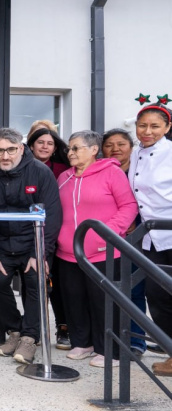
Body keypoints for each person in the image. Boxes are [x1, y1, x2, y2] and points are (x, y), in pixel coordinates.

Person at [0, 127, 62, 365]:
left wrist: (40, 253)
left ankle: (30, 338)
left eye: (11, 150)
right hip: (1, 246)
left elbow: (52, 216)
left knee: (36, 286)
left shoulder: (40, 172)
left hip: (33, 245)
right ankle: (15, 332)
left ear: (21, 149)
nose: (5, 156)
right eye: (0, 150)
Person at [56, 130, 137, 368]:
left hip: (103, 251)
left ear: (93, 150)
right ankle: (83, 343)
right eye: (69, 149)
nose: (70, 153)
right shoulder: (65, 177)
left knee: (103, 302)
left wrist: (107, 233)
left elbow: (129, 206)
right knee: (74, 299)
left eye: (75, 148)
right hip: (68, 252)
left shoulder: (111, 172)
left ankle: (109, 350)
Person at [129, 102, 172, 376]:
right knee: (157, 297)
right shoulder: (136, 153)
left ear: (167, 128)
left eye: (155, 126)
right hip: (151, 237)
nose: (147, 131)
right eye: (142, 125)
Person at [102, 128, 147, 356]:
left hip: (142, 238)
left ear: (131, 147)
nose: (115, 149)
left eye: (121, 144)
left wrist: (134, 221)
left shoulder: (142, 170)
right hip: (112, 239)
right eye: (109, 144)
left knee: (137, 290)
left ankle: (138, 342)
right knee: (118, 290)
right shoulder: (102, 172)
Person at [27, 127, 70, 350]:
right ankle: (30, 330)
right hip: (26, 232)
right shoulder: (21, 166)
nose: (45, 146)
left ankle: (62, 326)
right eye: (40, 142)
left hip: (55, 231)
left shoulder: (63, 170)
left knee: (54, 282)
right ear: (31, 144)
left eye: (50, 143)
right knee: (32, 283)